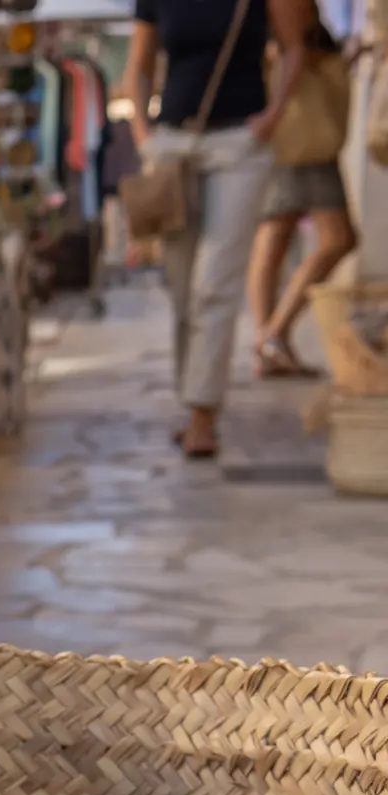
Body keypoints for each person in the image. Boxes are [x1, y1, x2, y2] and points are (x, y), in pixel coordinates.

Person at [125, 0, 316, 459]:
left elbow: (295, 48)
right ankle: (191, 393)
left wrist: (272, 118)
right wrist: (141, 132)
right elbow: (139, 64)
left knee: (215, 281)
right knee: (181, 284)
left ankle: (202, 412)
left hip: (239, 145)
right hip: (172, 144)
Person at [245, 14, 353, 380]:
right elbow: (297, 45)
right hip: (296, 129)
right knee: (334, 237)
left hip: (282, 127)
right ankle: (273, 335)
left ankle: (269, 341)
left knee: (277, 232)